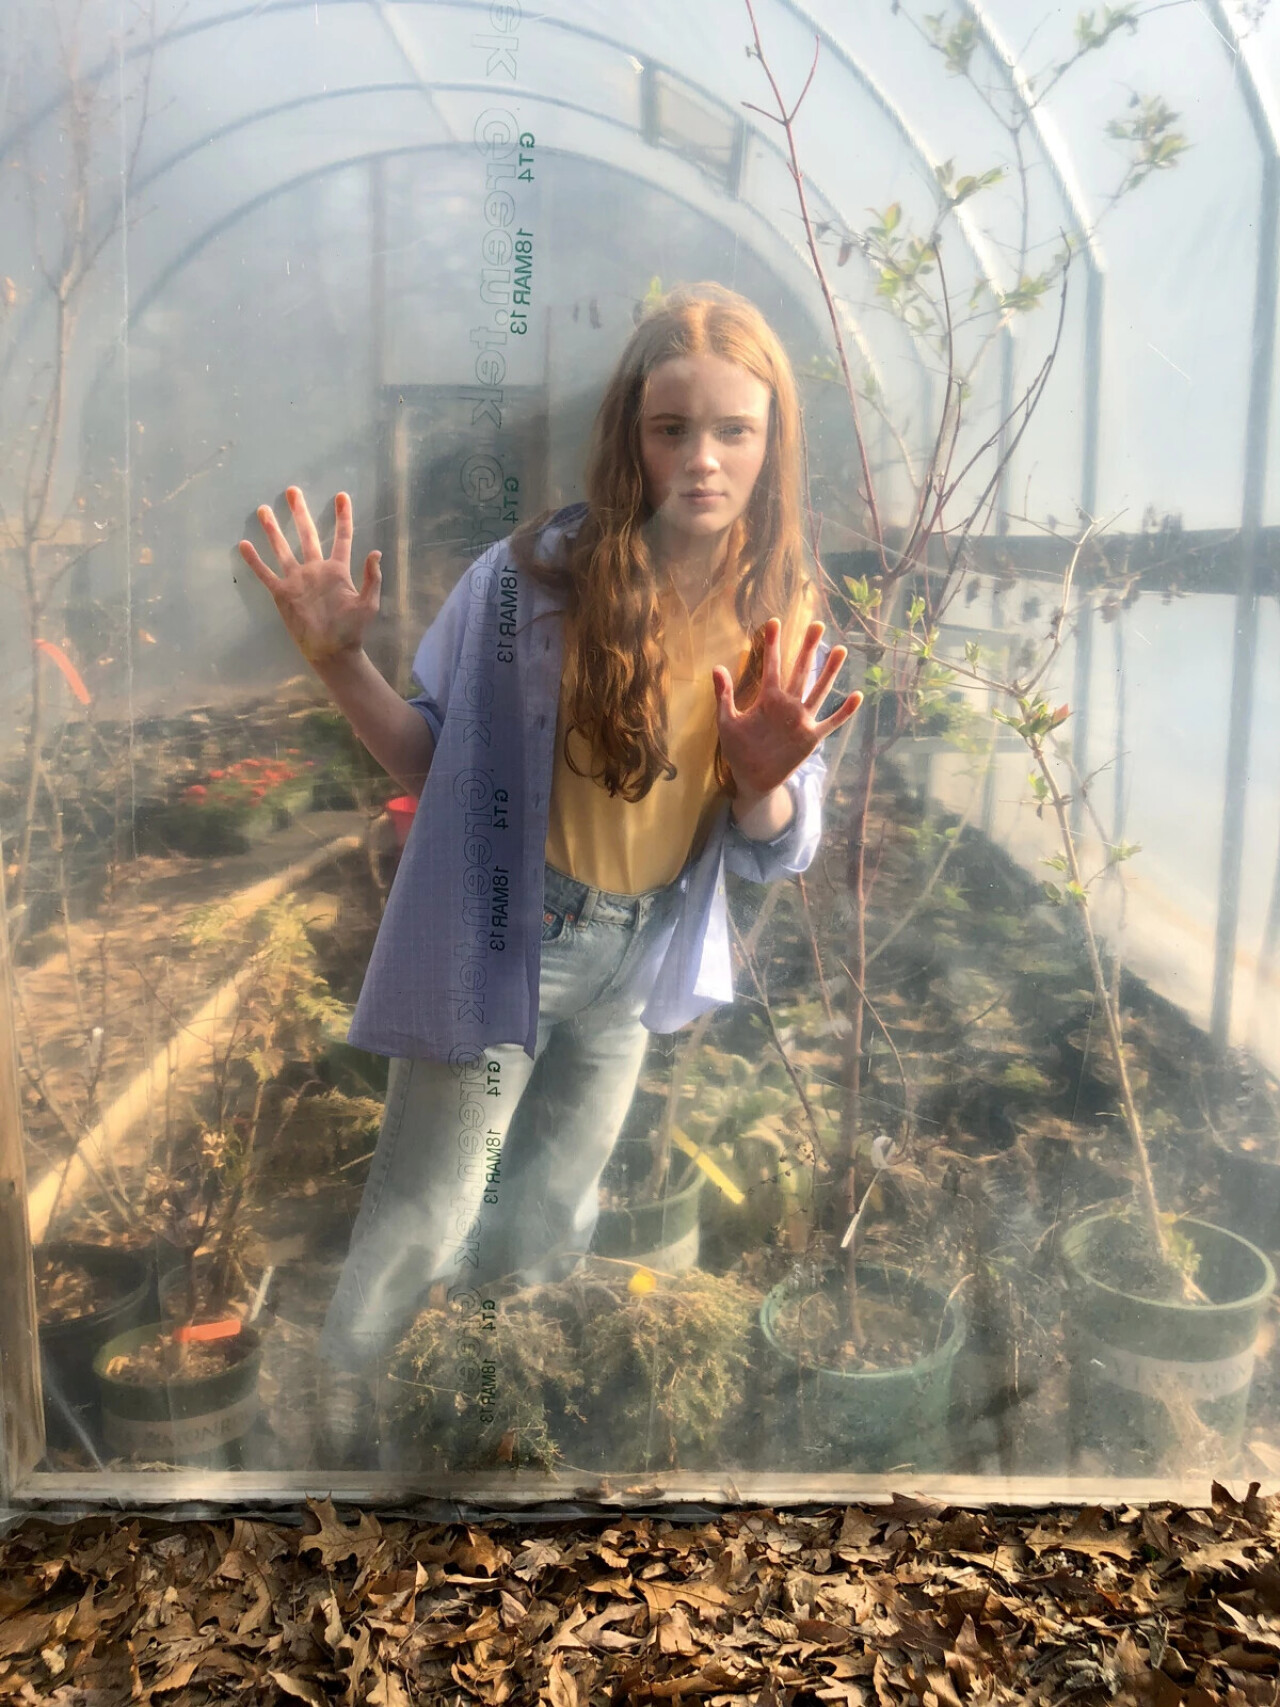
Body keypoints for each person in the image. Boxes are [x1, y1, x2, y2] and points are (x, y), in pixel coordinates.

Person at [238, 284, 861, 1455]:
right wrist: (337, 663)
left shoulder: (777, 605)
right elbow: (432, 762)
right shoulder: (528, 584)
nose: (702, 458)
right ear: (630, 434)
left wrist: (762, 778)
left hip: (641, 954)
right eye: (671, 427)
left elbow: (778, 842)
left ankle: (491, 1411)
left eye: (733, 429)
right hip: (514, 936)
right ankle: (338, 1418)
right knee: (428, 1204)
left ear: (772, 442)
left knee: (553, 1211)